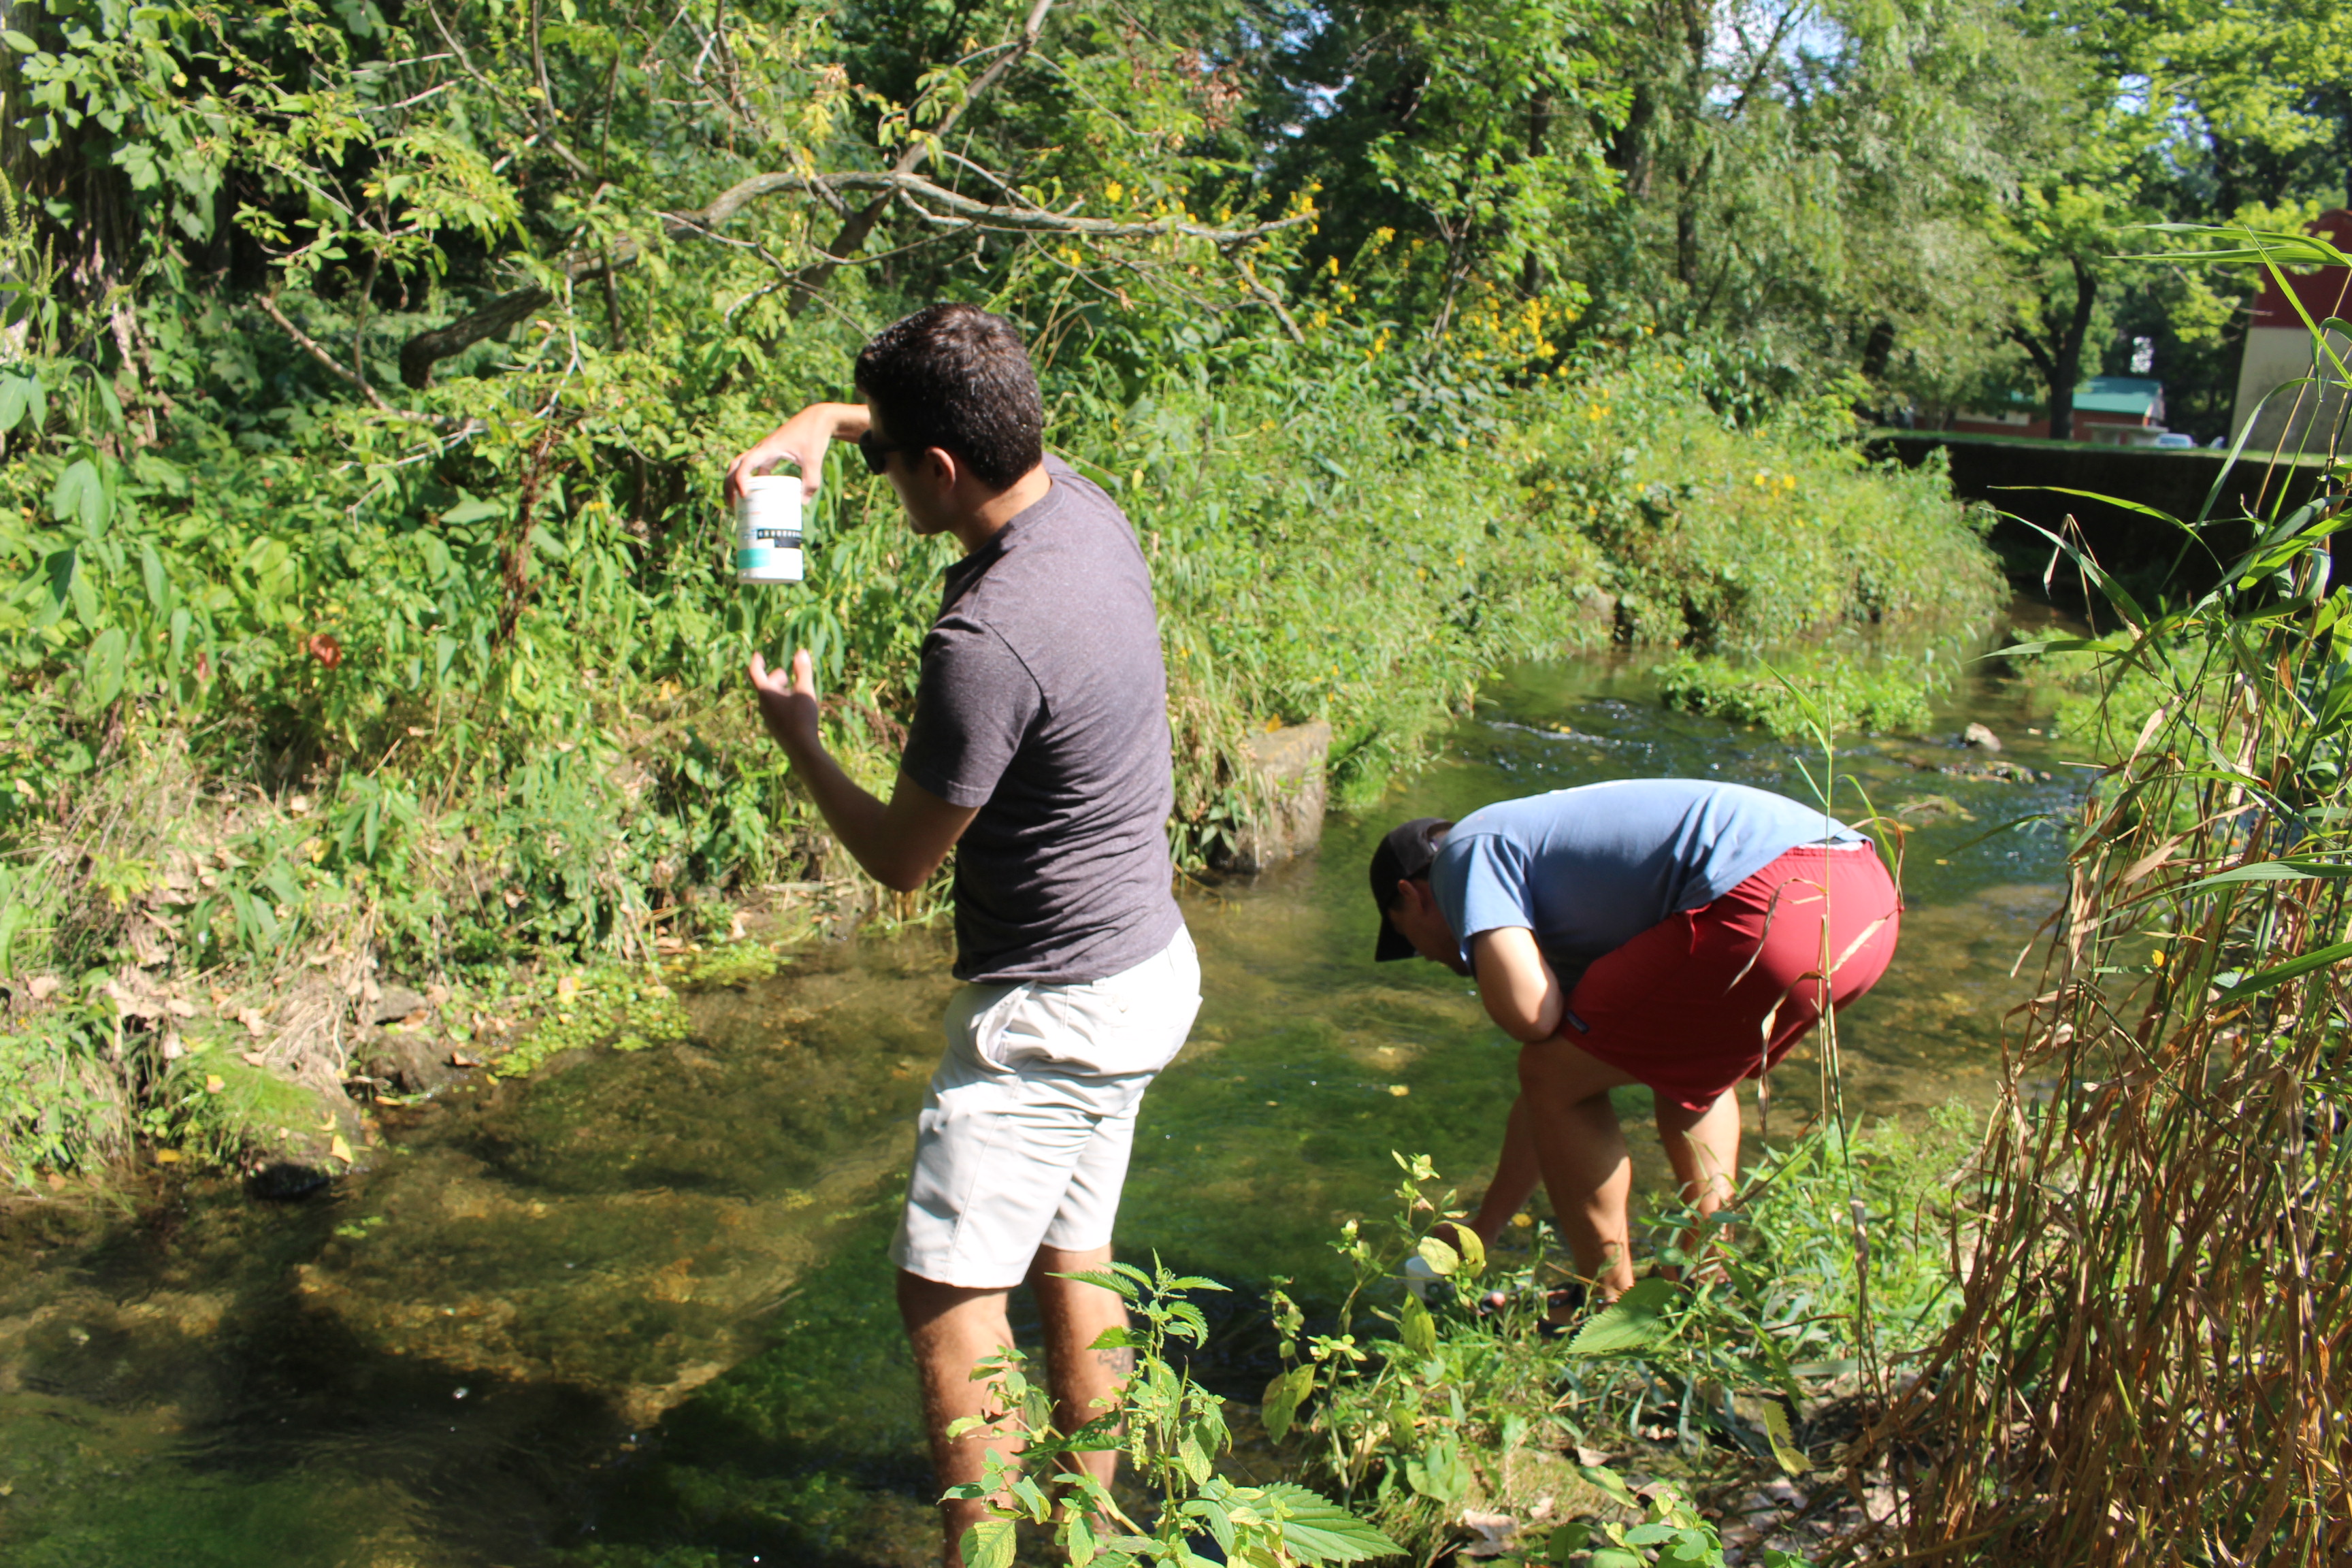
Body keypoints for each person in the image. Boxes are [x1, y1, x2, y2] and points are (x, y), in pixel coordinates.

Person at [728, 304, 1198, 1565]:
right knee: (1075, 1264)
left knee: (946, 1301)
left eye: (886, 458)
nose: (877, 475)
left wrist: (803, 740)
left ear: (940, 468)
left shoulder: (983, 641)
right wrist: (824, 425)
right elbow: (946, 418)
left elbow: (897, 862)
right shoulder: (1084, 509)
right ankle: (1092, 1536)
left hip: (1047, 1010)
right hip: (1148, 966)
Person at [1369, 779, 1899, 1308]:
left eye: (1410, 941)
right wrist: (1483, 1228)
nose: (1434, 960)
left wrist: (1502, 974)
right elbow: (1552, 1093)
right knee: (1686, 1071)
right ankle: (1699, 1281)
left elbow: (1532, 1019)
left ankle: (1606, 1301)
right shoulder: (1563, 877)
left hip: (1770, 901)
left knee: (1553, 1072)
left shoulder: (1464, 852)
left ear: (1413, 896)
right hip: (1863, 902)